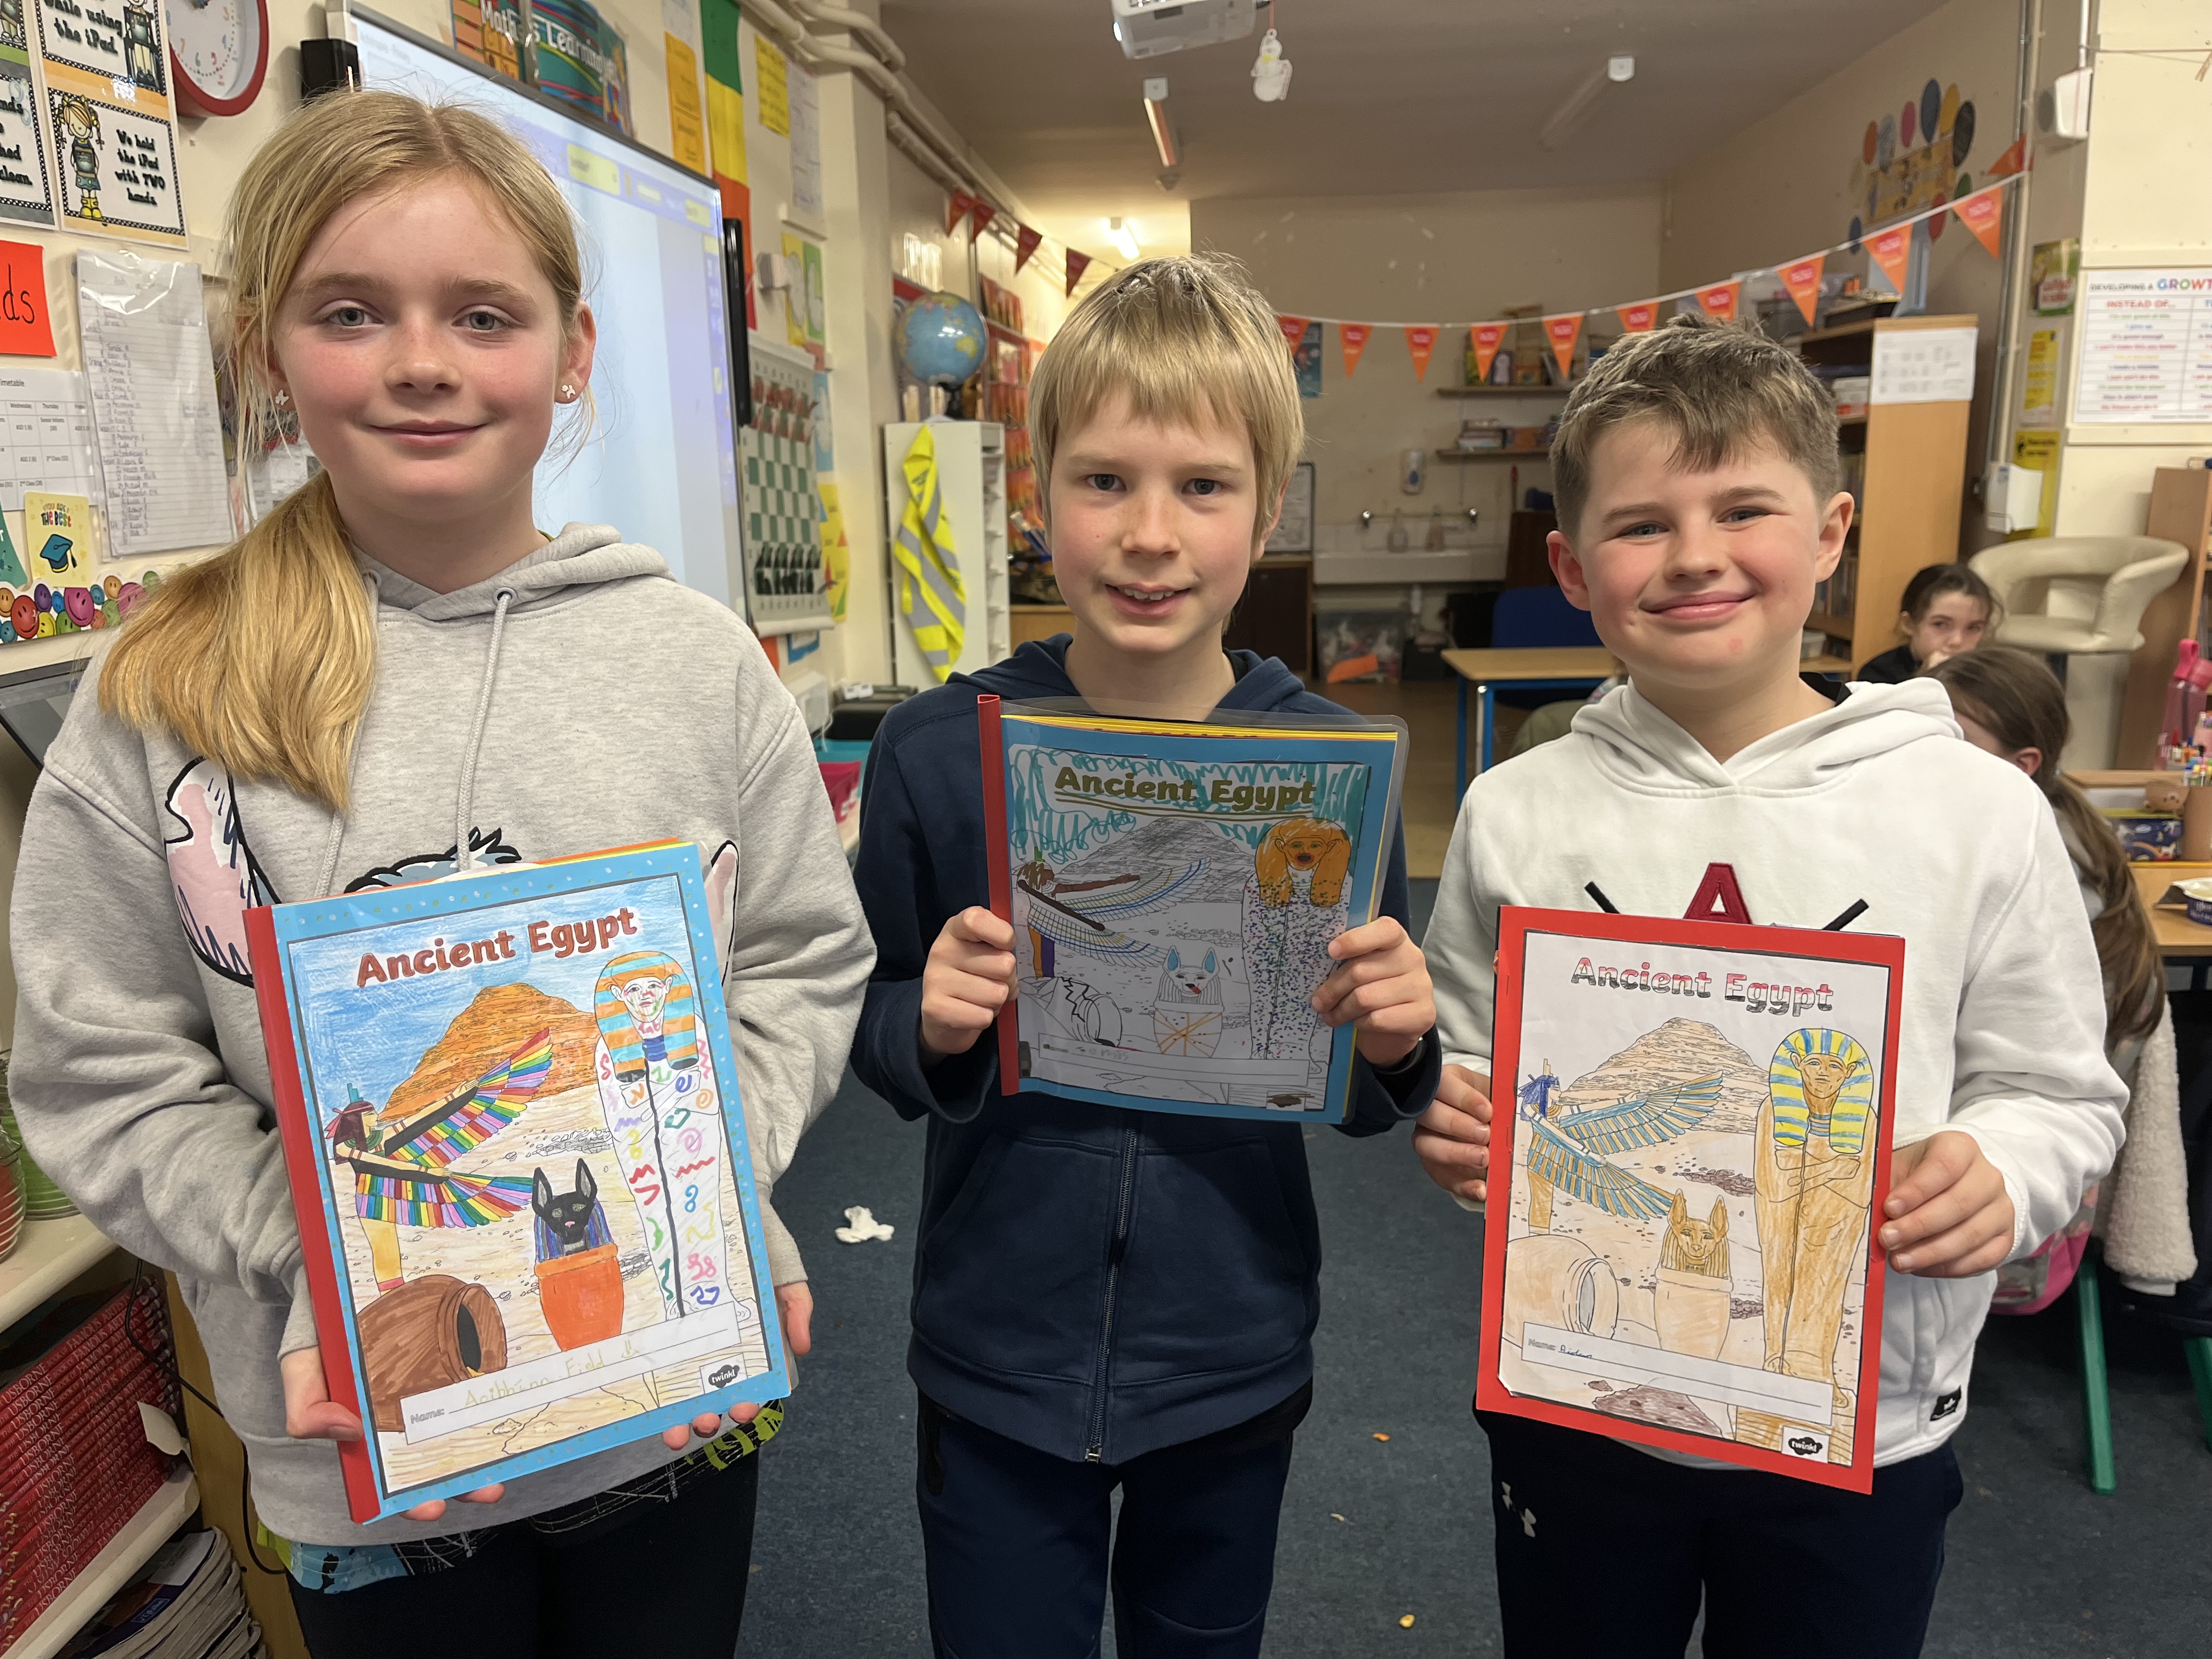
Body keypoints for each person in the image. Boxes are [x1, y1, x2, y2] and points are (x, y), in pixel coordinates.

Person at [6, 91, 872, 1657]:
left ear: (574, 354)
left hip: (668, 1398)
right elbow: (101, 1074)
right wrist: (318, 1247)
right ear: (271, 351)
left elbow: (799, 963)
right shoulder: (168, 690)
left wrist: (709, 1169)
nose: (421, 361)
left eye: (482, 314)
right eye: (352, 313)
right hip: (373, 1448)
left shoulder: (695, 664)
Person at [1413, 312, 2125, 1659]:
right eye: (1641, 525)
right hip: (1584, 1402)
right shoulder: (1517, 813)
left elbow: (2059, 1094)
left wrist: (2000, 1168)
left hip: (1863, 1423)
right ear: (1572, 566)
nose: (1695, 556)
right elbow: (1476, 1058)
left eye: (1744, 510)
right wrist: (1464, 1122)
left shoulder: (1977, 811)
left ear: (1833, 532)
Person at [850, 254, 1442, 1659]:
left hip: (1228, 1349)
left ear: (1268, 508)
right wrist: (926, 1024)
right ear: (1038, 491)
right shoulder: (935, 751)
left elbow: (1366, 1086)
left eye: (1204, 487)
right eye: (1105, 481)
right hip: (997, 1347)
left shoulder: (1330, 771)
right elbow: (860, 1016)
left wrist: (1399, 1041)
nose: (1150, 534)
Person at [1925, 646, 2193, 1307]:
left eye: (1950, 739)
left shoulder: (2035, 874)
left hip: (2006, 1227)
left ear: (2023, 767)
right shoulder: (2071, 829)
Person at [1855, 561, 1999, 682]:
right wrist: (1929, 678)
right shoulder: (1877, 674)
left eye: (1973, 628)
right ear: (1909, 624)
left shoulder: (1988, 676)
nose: (1957, 641)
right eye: (1940, 624)